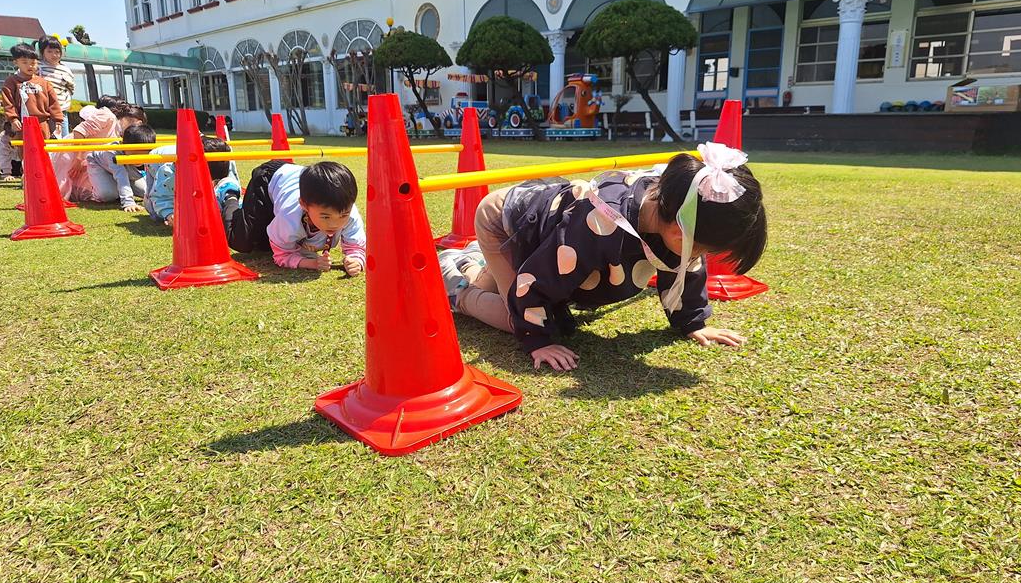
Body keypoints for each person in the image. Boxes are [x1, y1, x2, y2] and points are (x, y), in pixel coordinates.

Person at [439, 143, 768, 371]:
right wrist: (537, 340)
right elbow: (533, 284)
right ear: (679, 232)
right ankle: (455, 286)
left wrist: (692, 322)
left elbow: (683, 267)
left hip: (548, 232)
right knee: (519, 313)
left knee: (515, 286)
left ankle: (476, 263)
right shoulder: (600, 224)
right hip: (505, 221)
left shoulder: (675, 206)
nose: (699, 256)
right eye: (703, 249)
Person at [222, 160, 365, 274]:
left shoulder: (349, 212)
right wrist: (312, 263)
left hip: (297, 182)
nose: (335, 224)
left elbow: (356, 246)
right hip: (268, 179)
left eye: (343, 215)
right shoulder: (289, 217)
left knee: (270, 242)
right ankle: (230, 195)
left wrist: (356, 260)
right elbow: (282, 255)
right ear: (304, 205)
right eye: (326, 217)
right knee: (243, 241)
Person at [145, 136, 240, 226]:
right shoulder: (169, 172)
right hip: (155, 162)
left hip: (190, 158)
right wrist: (169, 214)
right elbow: (161, 197)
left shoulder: (223, 163)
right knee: (155, 213)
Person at [83, 124, 156, 211]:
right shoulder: (112, 153)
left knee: (146, 191)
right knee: (107, 195)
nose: (138, 159)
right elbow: (121, 176)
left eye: (143, 155)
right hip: (99, 165)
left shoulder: (152, 153)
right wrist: (128, 202)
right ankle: (93, 189)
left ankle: (118, 188)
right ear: (122, 144)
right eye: (134, 154)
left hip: (126, 166)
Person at [0, 43, 63, 140]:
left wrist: (58, 121)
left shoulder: (44, 83)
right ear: (16, 63)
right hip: (21, 125)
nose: (30, 66)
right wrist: (13, 119)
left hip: (42, 124)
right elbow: (8, 103)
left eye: (33, 63)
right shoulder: (11, 82)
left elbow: (54, 103)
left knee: (43, 149)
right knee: (24, 149)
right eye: (24, 62)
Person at [37, 36, 75, 139]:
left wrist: (64, 102)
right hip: (42, 111)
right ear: (42, 52)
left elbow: (71, 88)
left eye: (57, 52)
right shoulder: (37, 66)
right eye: (49, 51)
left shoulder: (65, 70)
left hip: (60, 110)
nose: (54, 55)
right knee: (43, 139)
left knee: (63, 140)